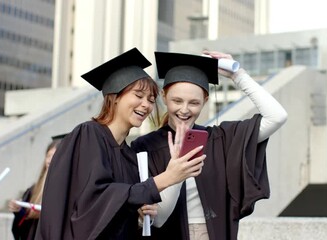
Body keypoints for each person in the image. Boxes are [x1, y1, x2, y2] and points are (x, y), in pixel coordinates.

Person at [35, 48, 205, 240]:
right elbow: (95, 200)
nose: (146, 105)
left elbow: (121, 208)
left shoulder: (130, 156)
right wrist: (167, 178)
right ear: (115, 97)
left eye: (150, 100)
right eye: (138, 96)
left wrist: (141, 212)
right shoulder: (88, 135)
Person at [131, 50, 288, 240]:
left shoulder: (219, 138)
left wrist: (237, 75)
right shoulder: (145, 146)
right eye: (177, 101)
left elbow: (277, 116)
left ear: (205, 101)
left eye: (194, 103)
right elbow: (156, 218)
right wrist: (178, 168)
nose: (184, 110)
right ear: (164, 97)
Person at [8, 135, 63, 240]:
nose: (50, 160)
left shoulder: (69, 192)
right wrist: (19, 211)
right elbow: (25, 227)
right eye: (48, 155)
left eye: (55, 155)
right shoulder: (34, 191)